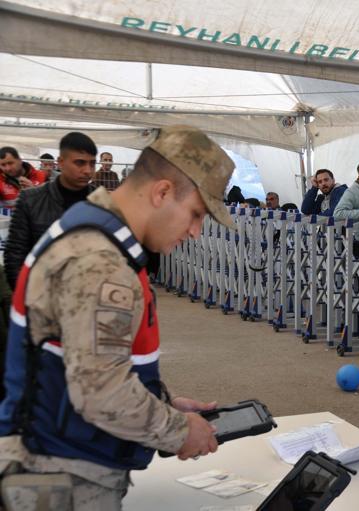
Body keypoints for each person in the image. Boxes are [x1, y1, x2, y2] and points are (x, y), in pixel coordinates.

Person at [0, 125, 232, 509]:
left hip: (63, 460)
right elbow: (101, 394)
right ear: (162, 192)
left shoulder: (97, 232)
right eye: (196, 214)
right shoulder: (101, 262)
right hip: (60, 475)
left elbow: (90, 359)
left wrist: (163, 402)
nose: (195, 231)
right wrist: (179, 430)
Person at [4, 132, 97, 289]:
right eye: (80, 163)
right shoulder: (30, 200)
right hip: (41, 292)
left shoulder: (100, 203)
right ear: (61, 162)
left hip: (87, 294)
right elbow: (15, 254)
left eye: (92, 164)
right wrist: (27, 295)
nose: (88, 170)